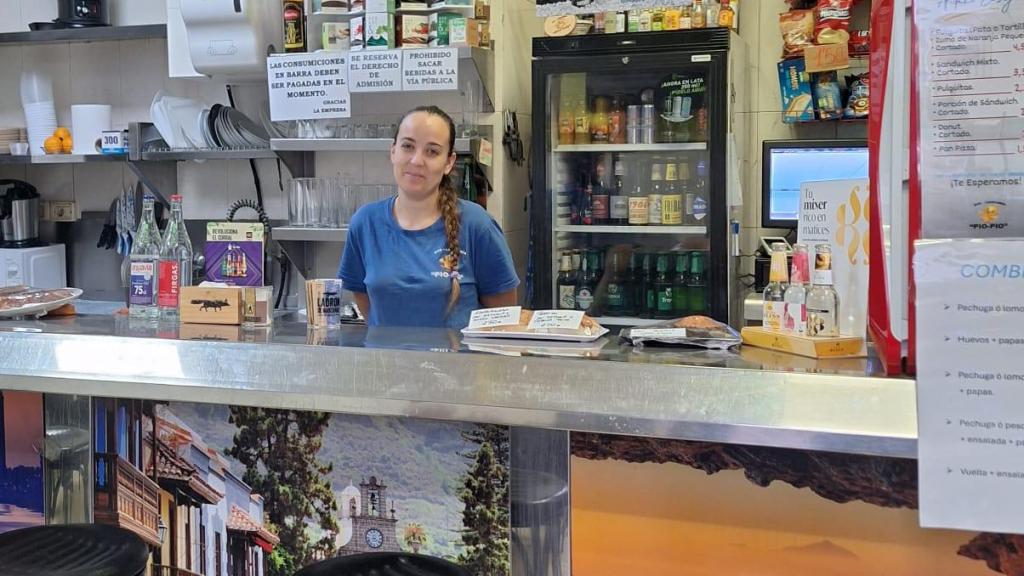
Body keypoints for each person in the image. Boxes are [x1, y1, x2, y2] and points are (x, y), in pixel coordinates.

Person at [338, 106, 519, 329]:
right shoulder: (365, 223)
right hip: (385, 363)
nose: (416, 160)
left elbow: (502, 317)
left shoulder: (477, 225)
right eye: (407, 146)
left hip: (459, 364)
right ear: (393, 151)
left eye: (432, 151)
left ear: (449, 162)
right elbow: (364, 301)